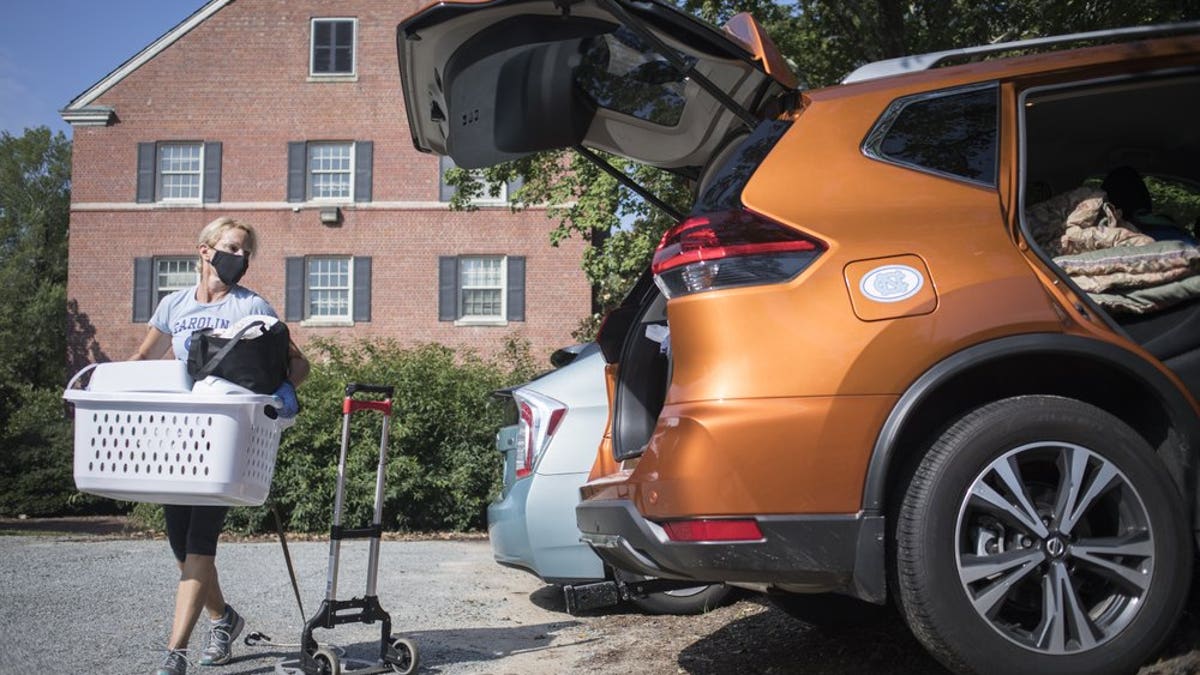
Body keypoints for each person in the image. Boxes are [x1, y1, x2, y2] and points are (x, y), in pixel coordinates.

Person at [131, 217, 309, 675]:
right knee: (178, 543)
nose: (241, 258)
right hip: (177, 438)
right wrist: (101, 383)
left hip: (223, 440)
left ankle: (175, 654)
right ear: (206, 250)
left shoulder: (251, 306)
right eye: (233, 247)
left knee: (200, 542)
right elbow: (142, 358)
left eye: (246, 252)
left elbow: (296, 360)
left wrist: (284, 385)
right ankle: (223, 618)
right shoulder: (174, 305)